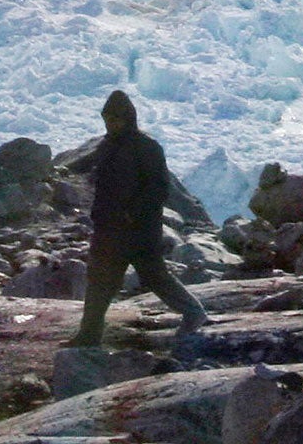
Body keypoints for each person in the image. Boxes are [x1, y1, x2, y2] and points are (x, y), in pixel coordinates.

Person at [70, 91, 206, 348]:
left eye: (115, 119)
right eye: (107, 119)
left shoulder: (147, 147)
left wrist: (134, 213)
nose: (111, 124)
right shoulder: (108, 145)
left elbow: (158, 188)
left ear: (128, 118)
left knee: (154, 276)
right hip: (109, 228)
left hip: (139, 229)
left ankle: (193, 313)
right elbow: (91, 170)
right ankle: (88, 335)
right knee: (100, 280)